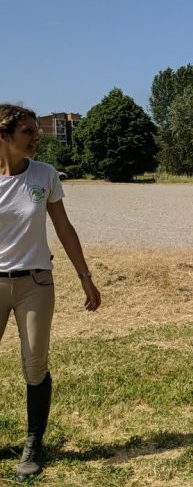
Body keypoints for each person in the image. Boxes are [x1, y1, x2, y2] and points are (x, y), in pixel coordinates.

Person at [0, 104, 101, 480]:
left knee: (34, 365)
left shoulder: (45, 175)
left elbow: (64, 228)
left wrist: (85, 276)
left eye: (36, 130)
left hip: (36, 284)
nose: (36, 136)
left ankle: (32, 443)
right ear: (4, 137)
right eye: (27, 131)